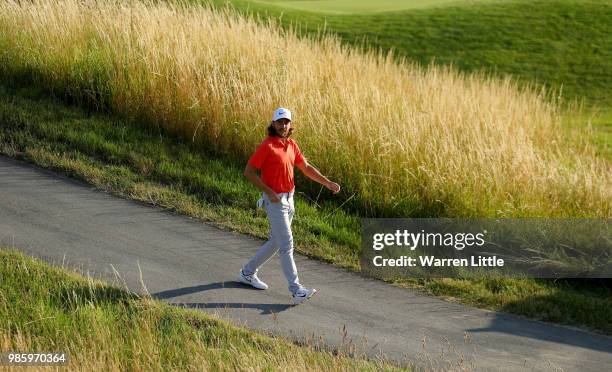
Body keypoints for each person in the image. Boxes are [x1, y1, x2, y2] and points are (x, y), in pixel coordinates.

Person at [239, 107, 341, 305]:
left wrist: (327, 183)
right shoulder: (267, 146)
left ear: (290, 125)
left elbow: (306, 168)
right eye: (279, 122)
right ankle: (296, 290)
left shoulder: (292, 145)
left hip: (289, 199)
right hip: (275, 201)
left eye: (286, 122)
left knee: (276, 242)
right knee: (287, 244)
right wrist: (269, 192)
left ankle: (247, 272)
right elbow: (249, 171)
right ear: (273, 124)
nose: (283, 125)